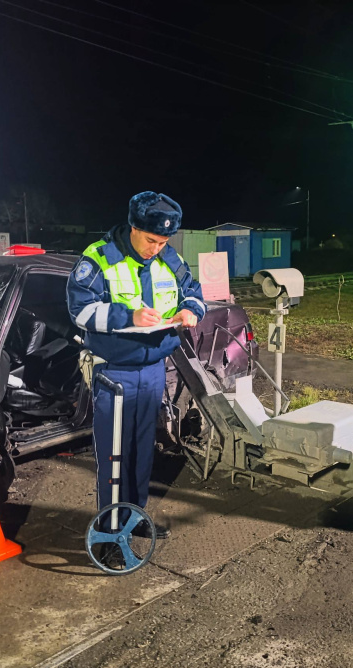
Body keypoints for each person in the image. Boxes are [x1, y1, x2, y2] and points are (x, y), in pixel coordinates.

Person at [66, 191, 206, 550]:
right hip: (115, 372)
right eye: (149, 240)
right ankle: (109, 533)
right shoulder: (99, 258)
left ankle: (135, 517)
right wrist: (127, 316)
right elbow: (80, 311)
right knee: (114, 455)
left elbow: (193, 291)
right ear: (133, 227)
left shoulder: (169, 258)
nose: (155, 248)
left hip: (154, 369)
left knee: (143, 450)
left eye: (162, 241)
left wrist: (191, 311)